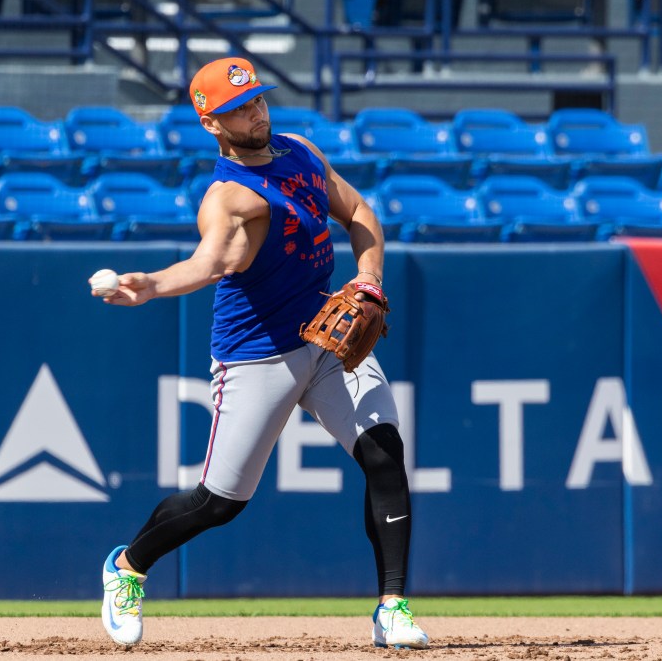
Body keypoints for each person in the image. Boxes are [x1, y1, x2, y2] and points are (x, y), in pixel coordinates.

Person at [92, 57, 429, 651]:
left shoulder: (299, 151)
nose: (255, 113)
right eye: (238, 109)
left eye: (257, 100)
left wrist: (368, 278)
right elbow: (209, 264)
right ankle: (128, 566)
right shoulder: (228, 197)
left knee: (385, 452)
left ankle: (392, 607)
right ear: (212, 125)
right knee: (219, 502)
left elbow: (358, 213)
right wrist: (148, 284)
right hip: (256, 355)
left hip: (324, 337)